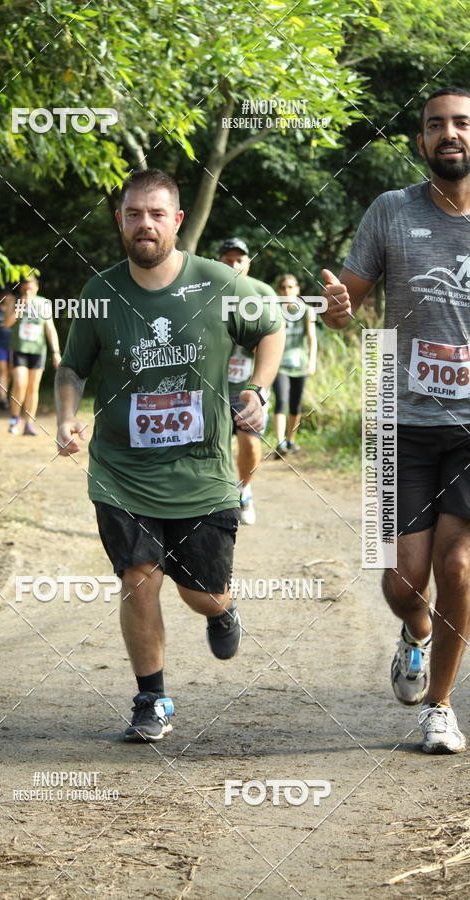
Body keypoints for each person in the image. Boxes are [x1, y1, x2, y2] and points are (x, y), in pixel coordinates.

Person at [55, 169, 284, 742]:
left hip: (201, 471)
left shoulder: (218, 283)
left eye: (157, 214)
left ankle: (222, 610)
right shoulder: (99, 293)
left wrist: (258, 390)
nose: (145, 224)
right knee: (139, 578)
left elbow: (272, 326)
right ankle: (151, 698)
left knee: (201, 593)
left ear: (177, 221)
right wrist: (65, 416)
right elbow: (72, 367)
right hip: (122, 471)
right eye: (134, 214)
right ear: (120, 221)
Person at [321, 86, 470, 754]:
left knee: (458, 567)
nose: (450, 133)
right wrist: (337, 308)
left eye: (462, 123)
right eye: (436, 124)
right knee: (404, 580)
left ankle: (440, 707)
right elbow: (346, 304)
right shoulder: (391, 210)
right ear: (421, 141)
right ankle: (416, 633)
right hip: (402, 419)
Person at [220, 237, 275, 525]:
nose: (233, 265)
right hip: (213, 387)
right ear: (218, 263)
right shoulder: (205, 290)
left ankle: (245, 490)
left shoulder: (263, 293)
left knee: (250, 445)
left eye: (239, 260)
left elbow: (272, 339)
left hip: (248, 388)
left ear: (248, 264)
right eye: (227, 260)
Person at [5, 275, 61, 435]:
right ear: (21, 289)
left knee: (33, 388)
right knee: (19, 383)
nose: (27, 292)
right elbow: (6, 323)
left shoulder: (44, 303)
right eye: (24, 289)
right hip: (19, 349)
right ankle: (15, 418)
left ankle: (29, 424)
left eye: (30, 288)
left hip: (38, 351)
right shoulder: (14, 302)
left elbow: (50, 328)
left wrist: (56, 352)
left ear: (36, 288)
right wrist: (21, 306)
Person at [272, 273, 317, 456]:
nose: (287, 291)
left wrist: (312, 361)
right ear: (279, 291)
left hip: (299, 364)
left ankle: (291, 440)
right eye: (283, 288)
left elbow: (312, 338)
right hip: (279, 365)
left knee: (295, 404)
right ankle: (280, 443)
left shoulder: (307, 310)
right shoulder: (274, 310)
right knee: (281, 400)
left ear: (297, 289)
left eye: (290, 287)